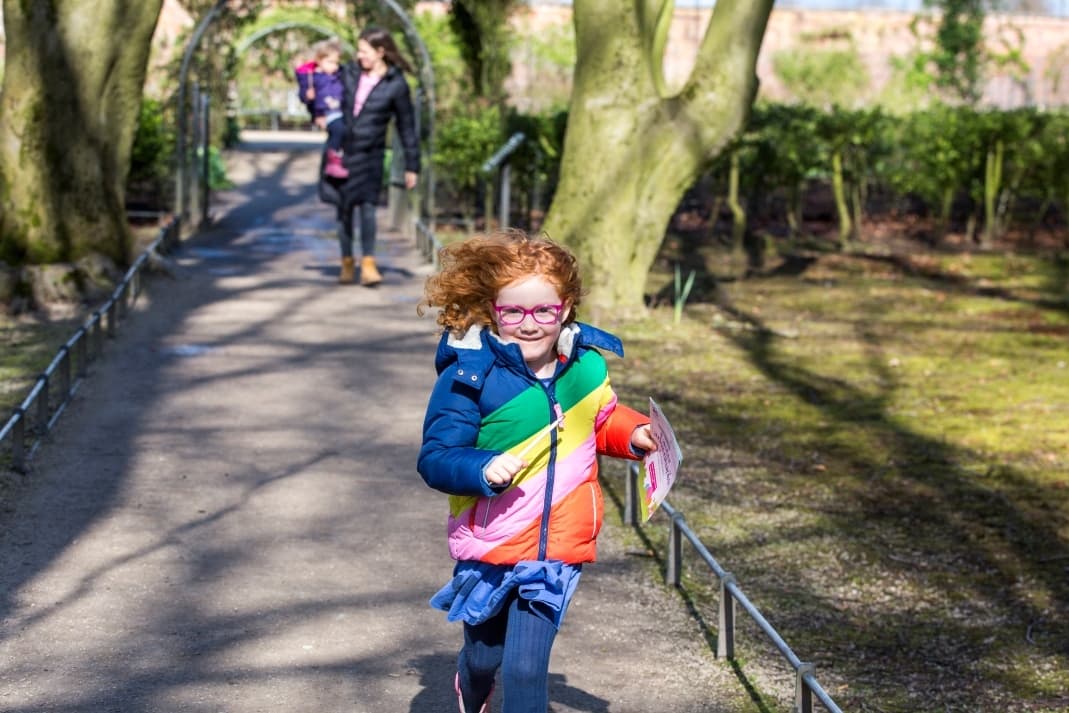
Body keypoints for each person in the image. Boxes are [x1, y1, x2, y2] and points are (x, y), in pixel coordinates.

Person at [416, 230, 658, 713]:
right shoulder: (469, 377)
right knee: (484, 658)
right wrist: (482, 467)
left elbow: (599, 420)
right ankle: (471, 682)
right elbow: (436, 456)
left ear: (565, 309)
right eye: (514, 312)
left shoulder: (584, 369)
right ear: (493, 310)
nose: (529, 325)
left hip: (557, 550)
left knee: (526, 671)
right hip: (492, 544)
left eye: (544, 311)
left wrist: (635, 434)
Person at [318, 26, 420, 287]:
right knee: (343, 209)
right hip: (342, 152)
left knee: (368, 208)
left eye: (364, 51)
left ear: (380, 52)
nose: (359, 55)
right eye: (359, 50)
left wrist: (412, 166)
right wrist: (318, 111)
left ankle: (368, 264)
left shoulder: (396, 84)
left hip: (371, 155)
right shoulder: (348, 73)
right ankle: (346, 262)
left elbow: (406, 126)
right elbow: (322, 88)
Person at [293, 39, 348, 179]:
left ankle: (338, 157)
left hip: (338, 110)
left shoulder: (338, 75)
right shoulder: (314, 78)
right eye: (330, 62)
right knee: (338, 130)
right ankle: (333, 160)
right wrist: (308, 98)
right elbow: (305, 95)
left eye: (336, 63)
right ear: (319, 60)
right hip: (325, 112)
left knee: (343, 131)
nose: (334, 66)